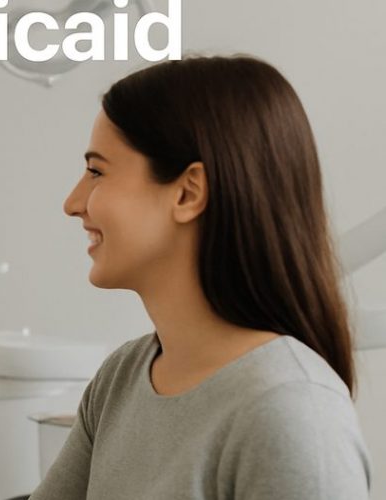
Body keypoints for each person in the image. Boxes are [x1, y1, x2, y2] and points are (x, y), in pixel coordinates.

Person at [32, 56, 371, 499]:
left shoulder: (292, 412)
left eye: (97, 171)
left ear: (188, 192)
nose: (73, 202)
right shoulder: (123, 376)